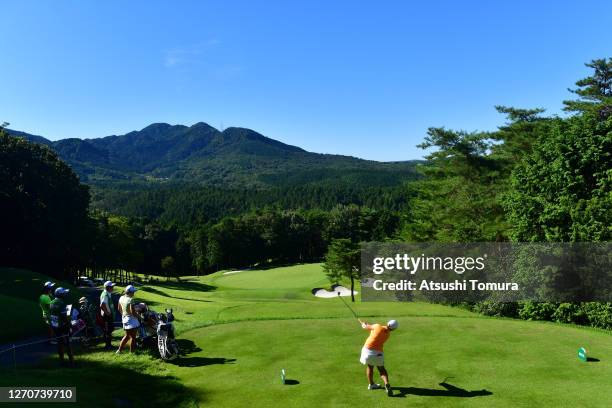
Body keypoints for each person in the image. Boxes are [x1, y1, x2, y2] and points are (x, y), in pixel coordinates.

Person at [359, 319, 398, 397]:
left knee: (370, 367)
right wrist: (367, 325)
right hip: (378, 353)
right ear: (393, 329)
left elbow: (365, 327)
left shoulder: (377, 326)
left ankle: (371, 384)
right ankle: (386, 383)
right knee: (382, 369)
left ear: (388, 323)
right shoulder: (387, 335)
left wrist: (364, 324)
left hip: (368, 351)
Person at [49, 287, 74, 366]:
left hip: (55, 325)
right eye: (64, 293)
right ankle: (71, 362)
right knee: (67, 343)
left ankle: (61, 361)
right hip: (63, 326)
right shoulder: (62, 303)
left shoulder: (52, 302)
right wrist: (70, 325)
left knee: (59, 343)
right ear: (61, 295)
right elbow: (65, 316)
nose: (65, 294)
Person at [116, 285, 139, 354]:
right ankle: (132, 352)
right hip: (131, 319)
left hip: (124, 318)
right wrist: (140, 318)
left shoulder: (121, 297)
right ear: (130, 292)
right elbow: (133, 312)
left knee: (127, 336)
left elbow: (119, 309)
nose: (134, 293)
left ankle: (119, 351)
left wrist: (124, 315)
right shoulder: (131, 299)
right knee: (133, 337)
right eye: (133, 292)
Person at [99, 281, 116, 349]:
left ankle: (109, 345)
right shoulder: (105, 295)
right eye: (112, 286)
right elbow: (102, 305)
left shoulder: (107, 293)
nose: (113, 287)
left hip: (107, 315)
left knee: (109, 330)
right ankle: (108, 346)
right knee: (108, 331)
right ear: (108, 287)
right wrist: (107, 313)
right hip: (107, 316)